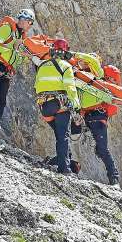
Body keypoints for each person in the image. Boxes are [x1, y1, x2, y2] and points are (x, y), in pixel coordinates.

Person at [0, 9, 35, 137]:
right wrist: (13, 45)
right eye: (27, 22)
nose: (27, 24)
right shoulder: (6, 29)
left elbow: (17, 57)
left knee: (1, 101)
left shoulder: (20, 37)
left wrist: (22, 57)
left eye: (28, 22)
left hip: (7, 69)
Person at [35, 39, 80, 174]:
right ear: (65, 53)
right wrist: (76, 107)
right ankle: (64, 169)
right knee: (63, 137)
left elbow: (36, 86)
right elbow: (70, 88)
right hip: (60, 106)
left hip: (45, 108)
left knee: (60, 134)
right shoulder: (66, 66)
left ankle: (66, 159)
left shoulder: (42, 65)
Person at [73, 56, 121, 185]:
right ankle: (67, 164)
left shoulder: (101, 83)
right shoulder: (87, 80)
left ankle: (114, 176)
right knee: (69, 137)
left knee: (102, 149)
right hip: (88, 116)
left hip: (97, 117)